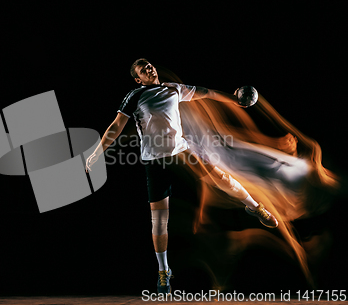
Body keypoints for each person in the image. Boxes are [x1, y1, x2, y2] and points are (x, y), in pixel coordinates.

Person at [85, 58, 278, 294]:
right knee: (159, 220)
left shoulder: (173, 88)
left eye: (149, 65)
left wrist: (235, 100)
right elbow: (115, 127)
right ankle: (164, 272)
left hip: (182, 153)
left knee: (221, 178)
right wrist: (97, 153)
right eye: (142, 69)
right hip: (155, 162)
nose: (149, 68)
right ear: (138, 79)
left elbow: (207, 93)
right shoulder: (135, 96)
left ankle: (255, 207)